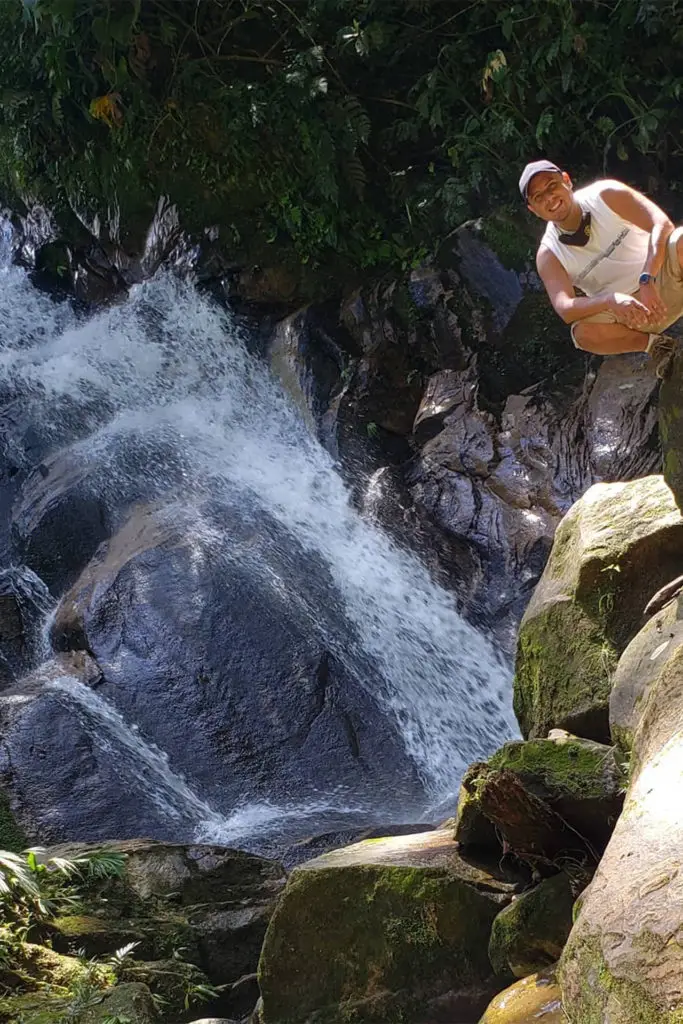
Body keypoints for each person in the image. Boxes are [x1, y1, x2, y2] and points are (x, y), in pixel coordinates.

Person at [520, 158, 683, 375]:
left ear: (567, 180)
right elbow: (564, 307)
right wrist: (609, 300)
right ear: (533, 209)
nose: (550, 198)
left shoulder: (605, 195)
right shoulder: (548, 254)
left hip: (662, 277)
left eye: (552, 186)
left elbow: (661, 224)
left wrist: (647, 277)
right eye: (539, 197)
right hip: (632, 315)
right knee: (583, 333)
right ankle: (660, 347)